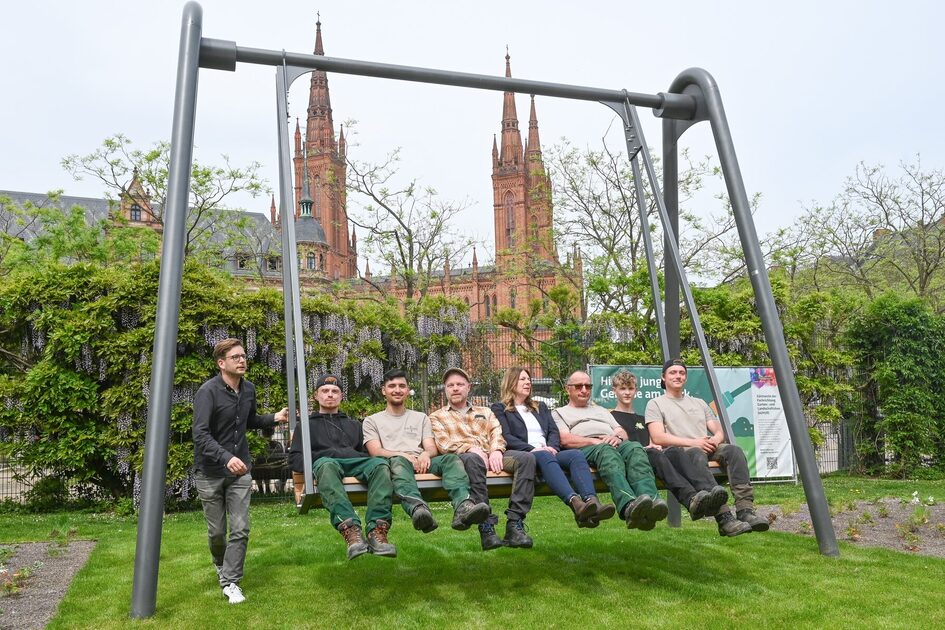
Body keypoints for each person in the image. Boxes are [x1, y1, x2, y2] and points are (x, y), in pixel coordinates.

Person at [192, 338, 289, 604]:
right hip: (210, 471)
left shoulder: (249, 390)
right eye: (235, 357)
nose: (242, 360)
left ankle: (230, 581)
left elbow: (250, 421)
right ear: (221, 363)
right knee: (217, 533)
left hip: (240, 470)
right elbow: (200, 434)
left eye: (244, 356)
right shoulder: (207, 392)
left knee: (241, 528)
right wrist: (226, 457)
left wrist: (275, 418)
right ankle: (219, 561)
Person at [645, 359, 769, 536]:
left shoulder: (699, 402)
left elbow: (718, 430)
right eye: (673, 372)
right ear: (663, 377)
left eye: (681, 373)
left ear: (686, 378)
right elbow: (658, 436)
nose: (678, 376)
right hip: (683, 453)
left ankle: (745, 510)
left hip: (706, 446)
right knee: (696, 454)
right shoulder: (656, 403)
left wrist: (715, 440)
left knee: (734, 451)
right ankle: (724, 517)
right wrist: (695, 442)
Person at [362, 369, 491, 536]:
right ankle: (418, 509)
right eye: (392, 386)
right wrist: (403, 455)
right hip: (396, 463)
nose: (397, 390)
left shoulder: (420, 417)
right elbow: (376, 451)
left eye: (402, 386)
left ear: (408, 390)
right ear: (383, 390)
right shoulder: (372, 420)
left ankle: (463, 505)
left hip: (422, 462)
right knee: (397, 462)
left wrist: (425, 454)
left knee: (451, 459)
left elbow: (431, 447)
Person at [288, 374, 397, 560]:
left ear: (341, 397)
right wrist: (323, 458)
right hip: (327, 465)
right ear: (316, 396)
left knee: (379, 464)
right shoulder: (305, 427)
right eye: (325, 391)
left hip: (354, 463)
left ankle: (377, 531)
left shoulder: (354, 425)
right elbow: (296, 460)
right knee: (326, 465)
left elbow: (365, 454)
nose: (330, 395)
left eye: (335, 391)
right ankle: (351, 531)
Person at [490, 367, 615, 527]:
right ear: (511, 382)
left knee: (575, 455)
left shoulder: (539, 406)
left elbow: (553, 431)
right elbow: (506, 436)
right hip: (526, 454)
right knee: (544, 455)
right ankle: (576, 504)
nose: (527, 382)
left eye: (529, 379)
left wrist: (553, 447)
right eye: (522, 379)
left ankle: (592, 502)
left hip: (549, 451)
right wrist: (533, 449)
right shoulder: (500, 408)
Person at [429, 367, 537, 550]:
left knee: (526, 459)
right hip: (464, 457)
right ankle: (486, 527)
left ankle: (515, 524)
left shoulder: (485, 411)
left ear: (468, 387)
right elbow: (443, 444)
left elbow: (497, 431)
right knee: (472, 459)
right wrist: (471, 448)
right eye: (450, 385)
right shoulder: (436, 416)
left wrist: (496, 450)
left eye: (460, 384)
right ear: (445, 389)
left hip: (493, 456)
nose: (455, 388)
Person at [609, 369, 730, 525]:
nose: (627, 393)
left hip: (654, 456)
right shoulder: (610, 417)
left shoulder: (643, 418)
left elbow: (655, 440)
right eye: (622, 388)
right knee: (653, 452)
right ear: (614, 391)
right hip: (634, 462)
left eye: (630, 388)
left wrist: (655, 445)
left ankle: (705, 492)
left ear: (636, 390)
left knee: (673, 450)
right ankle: (691, 497)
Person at [552, 370, 667, 531]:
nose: (584, 390)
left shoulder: (600, 410)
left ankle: (651, 502)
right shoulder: (559, 413)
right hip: (587, 447)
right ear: (567, 389)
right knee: (607, 452)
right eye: (578, 386)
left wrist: (618, 438)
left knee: (635, 448)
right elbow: (565, 439)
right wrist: (595, 441)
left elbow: (621, 431)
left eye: (588, 386)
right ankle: (628, 505)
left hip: (612, 443)